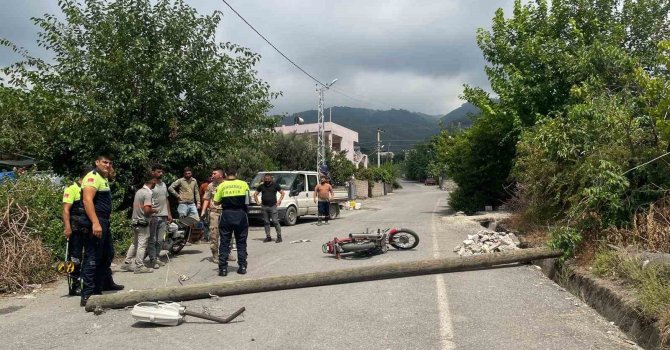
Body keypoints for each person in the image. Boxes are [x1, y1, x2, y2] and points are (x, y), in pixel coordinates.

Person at [80, 154, 124, 307]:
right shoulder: (92, 178)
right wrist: (95, 222)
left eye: (110, 162)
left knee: (108, 254)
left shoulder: (103, 178)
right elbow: (87, 200)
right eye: (105, 162)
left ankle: (103, 285)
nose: (108, 165)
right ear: (97, 162)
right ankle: (87, 295)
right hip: (96, 221)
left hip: (103, 220)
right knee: (93, 257)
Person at [213, 168, 249, 276]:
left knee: (224, 242)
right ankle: (242, 266)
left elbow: (215, 202)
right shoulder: (244, 184)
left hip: (227, 215)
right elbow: (247, 201)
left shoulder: (221, 186)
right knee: (241, 242)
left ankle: (223, 269)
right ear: (236, 174)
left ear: (225, 174)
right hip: (241, 215)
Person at [61, 166, 89, 296]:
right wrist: (67, 227)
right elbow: (66, 209)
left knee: (89, 255)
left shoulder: (89, 189)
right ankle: (74, 285)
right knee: (75, 257)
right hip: (75, 227)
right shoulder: (71, 189)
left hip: (87, 227)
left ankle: (88, 282)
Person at [120, 173, 155, 274]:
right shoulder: (147, 193)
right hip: (143, 222)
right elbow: (147, 210)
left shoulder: (139, 191)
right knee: (142, 244)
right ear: (152, 181)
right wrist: (155, 210)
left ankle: (126, 263)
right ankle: (139, 266)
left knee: (135, 243)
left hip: (135, 221)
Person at [201, 168, 237, 262]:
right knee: (214, 234)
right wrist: (203, 211)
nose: (212, 175)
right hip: (214, 212)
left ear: (220, 175)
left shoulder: (228, 184)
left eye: (214, 173)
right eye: (212, 173)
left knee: (228, 234)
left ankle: (227, 253)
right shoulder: (210, 185)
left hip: (227, 212)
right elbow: (206, 199)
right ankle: (215, 254)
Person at [147, 164, 172, 269]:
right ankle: (152, 260)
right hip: (153, 216)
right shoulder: (149, 185)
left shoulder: (163, 184)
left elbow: (166, 199)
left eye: (161, 172)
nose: (160, 173)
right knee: (152, 239)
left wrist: (169, 214)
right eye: (158, 171)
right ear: (153, 172)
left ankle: (157, 257)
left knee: (160, 240)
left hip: (163, 216)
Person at [253, 173, 285, 243]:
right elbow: (255, 194)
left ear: (271, 178)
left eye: (268, 178)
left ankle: (279, 237)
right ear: (264, 179)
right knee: (266, 222)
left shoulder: (275, 185)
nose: (267, 180)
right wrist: (257, 202)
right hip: (264, 206)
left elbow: (282, 193)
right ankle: (268, 237)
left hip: (273, 206)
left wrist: (279, 201)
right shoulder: (261, 186)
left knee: (275, 221)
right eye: (266, 179)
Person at [199, 176, 211, 241]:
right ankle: (206, 237)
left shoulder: (216, 185)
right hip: (206, 207)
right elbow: (201, 195)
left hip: (213, 207)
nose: (210, 178)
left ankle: (212, 237)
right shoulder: (203, 185)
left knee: (211, 223)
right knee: (206, 222)